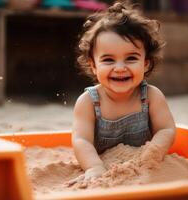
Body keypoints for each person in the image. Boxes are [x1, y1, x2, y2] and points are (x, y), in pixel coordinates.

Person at [71, 1, 176, 182]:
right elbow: (82, 141)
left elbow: (166, 129)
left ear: (146, 63)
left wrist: (153, 153)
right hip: (102, 166)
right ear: (93, 65)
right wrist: (94, 167)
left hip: (144, 168)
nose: (120, 68)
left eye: (131, 58)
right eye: (109, 60)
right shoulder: (88, 102)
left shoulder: (151, 96)